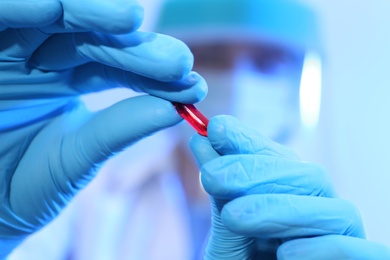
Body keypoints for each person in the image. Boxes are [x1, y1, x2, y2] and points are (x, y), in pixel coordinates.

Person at [2, 1, 390, 260]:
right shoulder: (81, 199)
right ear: (164, 66)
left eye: (269, 62)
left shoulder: (338, 221)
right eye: (212, 56)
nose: (239, 82)